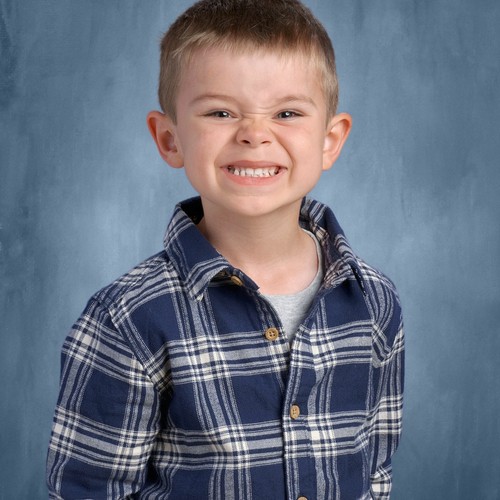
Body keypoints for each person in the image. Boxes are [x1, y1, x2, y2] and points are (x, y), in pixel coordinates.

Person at [47, 0, 404, 498]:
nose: (255, 135)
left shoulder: (374, 300)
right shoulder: (127, 320)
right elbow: (89, 490)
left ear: (329, 140)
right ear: (170, 139)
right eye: (220, 112)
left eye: (286, 113)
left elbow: (375, 468)